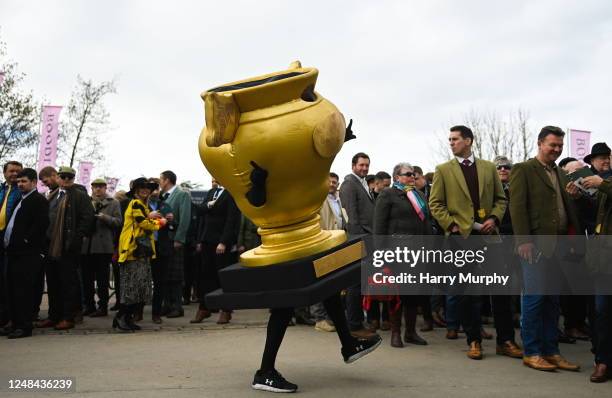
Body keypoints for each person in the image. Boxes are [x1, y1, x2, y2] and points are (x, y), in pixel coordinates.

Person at [429, 125, 507, 360]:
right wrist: (452, 226)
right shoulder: (443, 170)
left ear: (469, 141)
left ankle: (506, 341)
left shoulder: (489, 168)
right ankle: (474, 341)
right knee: (466, 293)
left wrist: (494, 217)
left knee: (500, 290)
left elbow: (501, 199)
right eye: (449, 139)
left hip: (489, 237)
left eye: (455, 139)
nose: (451, 143)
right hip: (460, 239)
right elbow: (436, 204)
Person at [510, 126, 582, 371]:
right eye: (553, 144)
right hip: (535, 245)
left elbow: (559, 206)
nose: (557, 149)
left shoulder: (560, 173)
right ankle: (532, 351)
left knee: (552, 301)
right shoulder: (523, 169)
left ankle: (551, 351)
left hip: (558, 245)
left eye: (560, 145)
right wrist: (524, 241)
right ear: (540, 143)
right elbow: (517, 208)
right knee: (534, 298)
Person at [373, 162, 430, 347]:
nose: (412, 177)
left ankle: (411, 333)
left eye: (413, 174)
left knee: (414, 294)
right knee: (396, 294)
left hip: (418, 252)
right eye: (408, 174)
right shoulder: (388, 194)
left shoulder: (419, 195)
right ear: (397, 177)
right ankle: (396, 333)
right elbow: (379, 226)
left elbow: (426, 223)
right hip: (396, 252)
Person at [42, 166, 94, 330]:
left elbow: (88, 219)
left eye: (69, 177)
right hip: (50, 246)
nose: (65, 179)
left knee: (67, 283)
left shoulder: (79, 195)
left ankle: (68, 317)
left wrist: (76, 239)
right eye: (62, 176)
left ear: (73, 178)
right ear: (57, 177)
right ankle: (54, 315)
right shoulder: (53, 195)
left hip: (67, 247)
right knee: (53, 283)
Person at [0, 168, 48, 338]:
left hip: (27, 255)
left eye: (24, 181)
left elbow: (41, 226)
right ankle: (15, 323)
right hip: (13, 253)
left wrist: (25, 241)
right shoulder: (22, 199)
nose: (20, 184)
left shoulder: (38, 200)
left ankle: (24, 326)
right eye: (19, 181)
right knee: (12, 290)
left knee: (24, 292)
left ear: (34, 182)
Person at [115, 178, 167, 332]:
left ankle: (127, 318)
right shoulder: (136, 203)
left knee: (137, 288)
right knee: (131, 288)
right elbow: (143, 223)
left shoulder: (142, 204)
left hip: (140, 251)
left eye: (147, 188)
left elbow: (144, 221)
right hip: (132, 251)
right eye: (142, 188)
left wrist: (150, 217)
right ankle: (120, 318)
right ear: (136, 190)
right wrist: (160, 222)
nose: (145, 190)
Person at [192, 179, 240, 324]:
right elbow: (200, 211)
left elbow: (232, 219)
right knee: (205, 275)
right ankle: (204, 308)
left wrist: (224, 241)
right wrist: (208, 205)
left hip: (221, 242)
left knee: (222, 277)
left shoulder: (231, 193)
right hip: (207, 240)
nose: (214, 179)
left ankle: (226, 310)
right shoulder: (212, 192)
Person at [339, 152, 376, 338]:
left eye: (367, 165)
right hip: (358, 240)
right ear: (353, 165)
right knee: (355, 285)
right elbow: (351, 218)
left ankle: (356, 322)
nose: (364, 168)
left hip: (367, 239)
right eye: (361, 165)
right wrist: (358, 241)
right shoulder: (348, 185)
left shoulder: (361, 183)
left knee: (360, 285)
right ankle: (354, 326)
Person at [582, 168, 612, 382]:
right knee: (601, 312)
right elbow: (593, 216)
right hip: (604, 260)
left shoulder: (605, 183)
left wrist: (601, 185)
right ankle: (603, 362)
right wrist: (579, 197)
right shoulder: (606, 181)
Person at [81, 178, 122, 317]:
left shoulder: (114, 203)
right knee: (86, 279)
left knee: (102, 279)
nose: (98, 189)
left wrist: (105, 218)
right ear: (92, 188)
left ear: (105, 188)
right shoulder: (86, 202)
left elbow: (118, 222)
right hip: (86, 246)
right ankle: (89, 305)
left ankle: (102, 307)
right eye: (95, 187)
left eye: (101, 187)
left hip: (103, 247)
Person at [159, 170, 192, 318]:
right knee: (165, 273)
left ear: (167, 180)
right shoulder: (162, 197)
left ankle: (177, 307)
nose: (160, 183)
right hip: (163, 240)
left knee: (176, 275)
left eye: (161, 179)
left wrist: (180, 238)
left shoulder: (182, 194)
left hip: (174, 239)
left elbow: (185, 218)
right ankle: (167, 304)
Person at [0, 161, 23, 328]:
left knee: (8, 279)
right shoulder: (1, 189)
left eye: (18, 171)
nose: (14, 174)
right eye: (11, 171)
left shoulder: (22, 192)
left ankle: (8, 316)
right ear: (4, 173)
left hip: (11, 239)